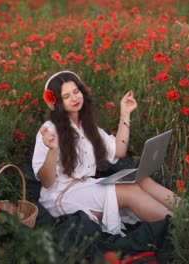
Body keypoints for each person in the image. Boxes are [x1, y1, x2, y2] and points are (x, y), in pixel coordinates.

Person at [32, 70, 180, 235]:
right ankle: (182, 227)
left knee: (141, 179)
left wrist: (125, 113)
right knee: (129, 191)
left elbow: (119, 150)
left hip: (85, 185)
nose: (74, 98)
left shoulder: (87, 125)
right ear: (57, 103)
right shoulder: (49, 130)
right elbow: (46, 182)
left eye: (76, 91)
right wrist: (53, 150)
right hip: (61, 196)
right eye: (66, 97)